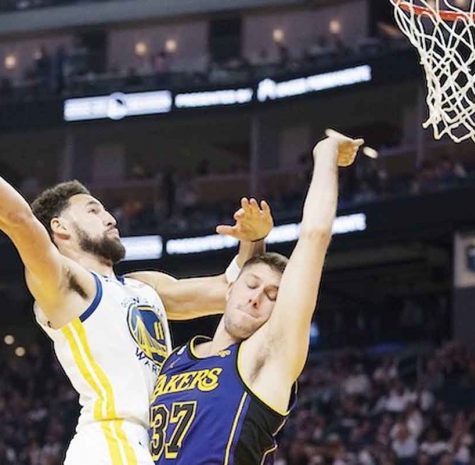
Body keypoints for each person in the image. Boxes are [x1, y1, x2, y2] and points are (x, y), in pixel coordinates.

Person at [0, 73, 274, 465]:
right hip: (110, 440)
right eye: (92, 210)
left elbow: (229, 292)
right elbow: (17, 218)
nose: (109, 216)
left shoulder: (143, 287)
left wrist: (252, 240)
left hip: (154, 446)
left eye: (104, 208)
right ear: (60, 228)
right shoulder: (66, 286)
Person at [149, 133, 365, 464]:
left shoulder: (265, 358)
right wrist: (254, 242)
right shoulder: (174, 359)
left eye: (272, 296)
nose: (255, 299)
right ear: (230, 286)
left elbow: (315, 235)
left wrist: (326, 154)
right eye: (251, 285)